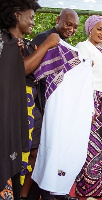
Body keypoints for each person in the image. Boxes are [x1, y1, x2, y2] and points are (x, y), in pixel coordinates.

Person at [0, 0, 59, 199]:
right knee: (13, 157)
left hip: (33, 106)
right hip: (13, 108)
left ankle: (24, 195)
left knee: (37, 154)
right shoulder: (4, 40)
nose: (33, 22)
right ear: (17, 15)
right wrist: (47, 45)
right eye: (31, 17)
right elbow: (22, 68)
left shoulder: (27, 44)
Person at [21, 8, 79, 200]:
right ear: (58, 20)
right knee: (38, 152)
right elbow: (36, 72)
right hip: (36, 104)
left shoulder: (64, 42)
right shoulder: (44, 38)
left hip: (51, 106)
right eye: (68, 24)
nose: (71, 29)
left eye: (75, 27)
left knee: (48, 152)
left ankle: (48, 193)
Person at [75, 15, 102, 197]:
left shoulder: (100, 50)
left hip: (101, 98)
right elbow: (80, 77)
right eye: (99, 29)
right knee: (89, 145)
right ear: (89, 29)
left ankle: (98, 187)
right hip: (89, 99)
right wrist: (90, 105)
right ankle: (87, 188)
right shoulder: (83, 47)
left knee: (100, 145)